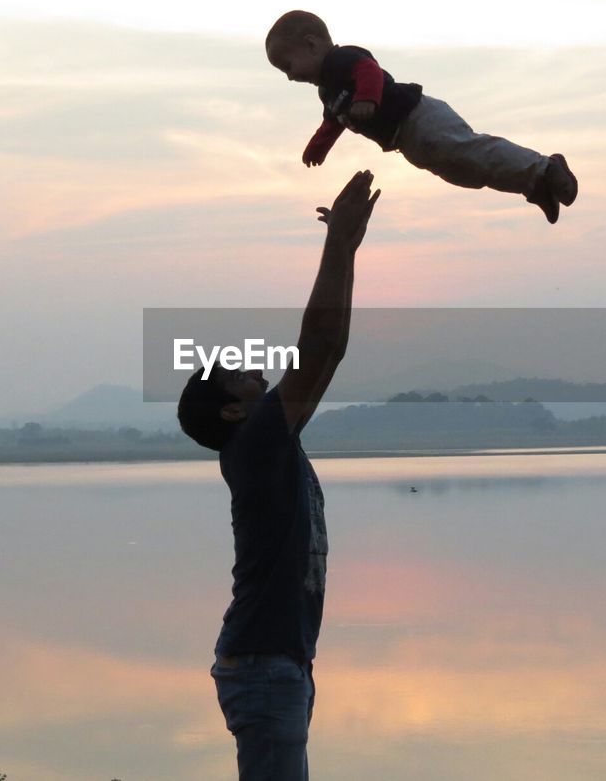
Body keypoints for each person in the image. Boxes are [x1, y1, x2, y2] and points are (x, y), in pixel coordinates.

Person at [178, 170, 381, 781]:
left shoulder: (264, 443)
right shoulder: (257, 441)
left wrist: (347, 251)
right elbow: (316, 347)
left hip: (279, 665)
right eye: (246, 379)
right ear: (234, 411)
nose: (263, 379)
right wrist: (338, 245)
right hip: (265, 668)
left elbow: (331, 352)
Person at [265, 9, 578, 223]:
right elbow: (332, 122)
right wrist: (318, 147)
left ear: (310, 45)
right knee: (464, 173)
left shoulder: (341, 59)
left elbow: (368, 70)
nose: (290, 77)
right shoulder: (328, 92)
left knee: (471, 152)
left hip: (419, 118)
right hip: (408, 140)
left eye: (288, 66)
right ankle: (533, 186)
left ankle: (546, 168)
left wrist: (367, 98)